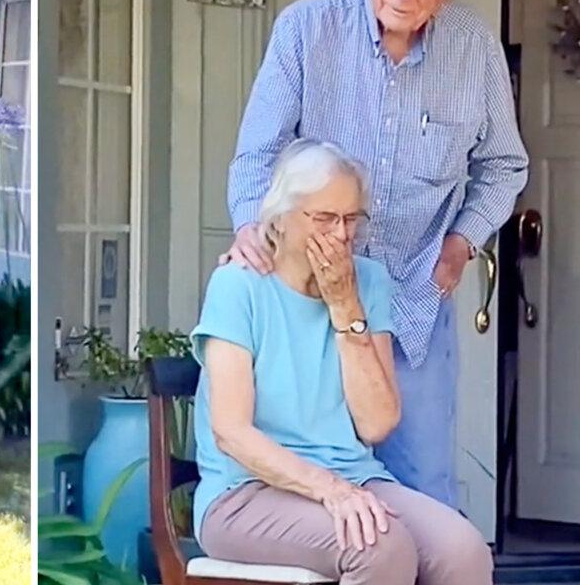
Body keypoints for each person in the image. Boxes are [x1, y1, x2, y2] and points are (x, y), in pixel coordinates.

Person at [223, 0, 528, 508]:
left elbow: (504, 164)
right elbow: (259, 153)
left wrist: (462, 241)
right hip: (307, 300)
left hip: (413, 299)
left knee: (423, 490)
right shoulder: (305, 29)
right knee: (311, 483)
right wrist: (253, 230)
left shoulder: (474, 48)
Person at [194, 139, 492, 585]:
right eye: (324, 218)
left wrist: (345, 306)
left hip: (354, 477)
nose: (341, 235)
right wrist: (328, 490)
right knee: (381, 548)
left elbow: (376, 424)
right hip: (245, 492)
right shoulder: (238, 286)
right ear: (280, 218)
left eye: (352, 219)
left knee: (463, 551)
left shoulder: (368, 282)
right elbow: (231, 433)